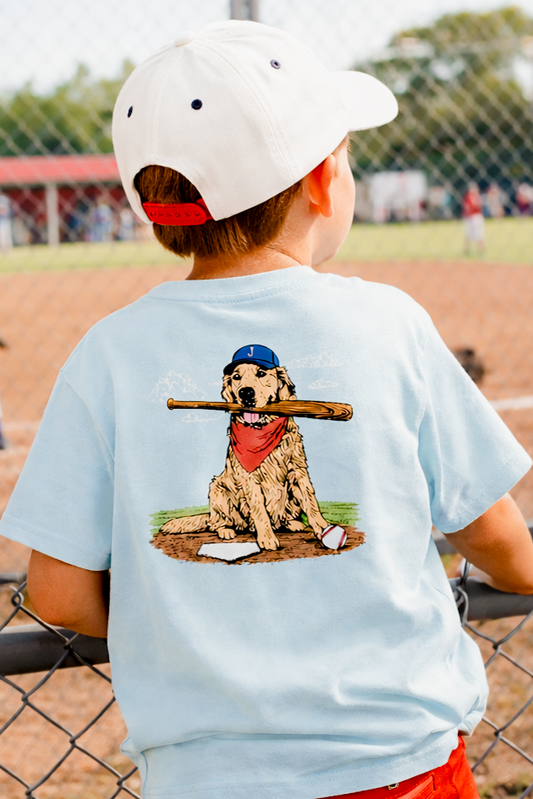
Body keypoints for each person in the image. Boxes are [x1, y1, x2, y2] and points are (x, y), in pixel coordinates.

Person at [1, 20, 533, 799]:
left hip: (203, 778)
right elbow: (497, 539)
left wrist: (185, 617)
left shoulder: (105, 354)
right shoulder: (387, 324)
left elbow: (57, 594)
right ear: (321, 182)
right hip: (398, 764)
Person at [462, 183, 485, 255]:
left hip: (476, 216)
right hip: (470, 217)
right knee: (468, 235)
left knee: (479, 234)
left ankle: (481, 249)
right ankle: (466, 250)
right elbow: (467, 207)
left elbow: (479, 207)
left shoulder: (477, 197)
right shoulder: (468, 197)